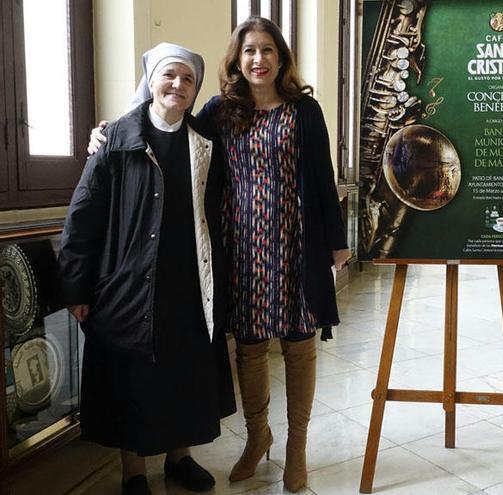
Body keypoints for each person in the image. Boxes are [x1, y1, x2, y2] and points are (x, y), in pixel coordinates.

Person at [89, 16, 348, 492]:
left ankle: (296, 449)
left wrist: (336, 243)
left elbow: (322, 177)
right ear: (236, 59)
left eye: (268, 50)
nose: (258, 59)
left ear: (281, 57)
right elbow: (167, 123)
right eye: (249, 50)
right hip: (240, 252)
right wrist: (107, 133)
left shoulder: (304, 111)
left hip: (296, 248)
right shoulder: (219, 111)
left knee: (298, 347)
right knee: (249, 351)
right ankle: (257, 438)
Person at [58, 43, 235, 495]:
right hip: (127, 285)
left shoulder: (205, 144)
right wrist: (77, 287)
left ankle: (180, 458)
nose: (178, 85)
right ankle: (133, 471)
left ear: (196, 90)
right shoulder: (116, 138)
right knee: (132, 380)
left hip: (189, 282)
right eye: (169, 75)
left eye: (188, 79)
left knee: (183, 374)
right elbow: (82, 216)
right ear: (152, 80)